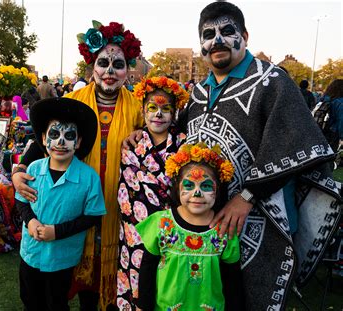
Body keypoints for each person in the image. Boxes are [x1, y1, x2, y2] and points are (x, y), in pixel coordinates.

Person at [176, 2, 340, 309]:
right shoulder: (199, 93)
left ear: (245, 36)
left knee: (255, 298)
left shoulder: (272, 82)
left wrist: (247, 196)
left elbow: (294, 142)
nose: (217, 41)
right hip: (211, 217)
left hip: (263, 219)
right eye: (208, 34)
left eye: (227, 31)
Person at [13, 20, 143, 310]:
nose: (110, 71)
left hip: (120, 210)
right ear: (92, 67)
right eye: (103, 63)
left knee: (112, 279)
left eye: (118, 64)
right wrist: (19, 171)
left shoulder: (138, 108)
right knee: (75, 284)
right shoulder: (72, 101)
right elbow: (41, 142)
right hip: (74, 207)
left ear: (128, 69)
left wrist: (142, 132)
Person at [16, 97, 106, 310]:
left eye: (69, 136)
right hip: (31, 253)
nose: (61, 142)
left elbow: (92, 216)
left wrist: (57, 232)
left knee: (57, 302)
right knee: (30, 300)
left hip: (62, 257)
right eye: (54, 135)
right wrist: (30, 221)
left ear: (79, 142)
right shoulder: (33, 169)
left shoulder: (88, 177)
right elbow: (22, 202)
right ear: (44, 139)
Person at [136, 143, 239, 311]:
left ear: (217, 189)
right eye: (189, 185)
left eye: (205, 186)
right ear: (178, 187)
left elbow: (232, 280)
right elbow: (147, 271)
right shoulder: (161, 224)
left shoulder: (224, 230)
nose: (197, 194)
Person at [116, 76, 188, 310]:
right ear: (143, 110)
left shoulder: (184, 147)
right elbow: (125, 190)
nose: (158, 114)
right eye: (152, 108)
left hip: (171, 229)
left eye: (165, 109)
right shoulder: (131, 145)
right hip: (135, 230)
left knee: (168, 285)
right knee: (136, 281)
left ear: (175, 113)